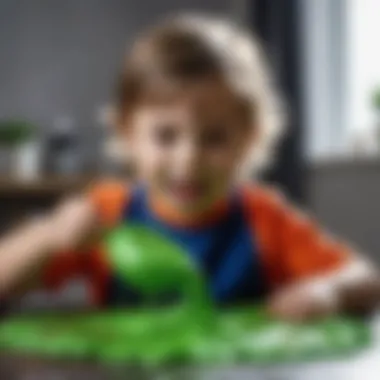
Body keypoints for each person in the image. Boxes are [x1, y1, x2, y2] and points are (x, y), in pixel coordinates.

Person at [0, 14, 379, 321]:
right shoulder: (106, 216)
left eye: (214, 139)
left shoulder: (264, 219)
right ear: (127, 133)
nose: (189, 160)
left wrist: (330, 291)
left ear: (249, 139)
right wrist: (49, 236)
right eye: (165, 137)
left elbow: (366, 279)